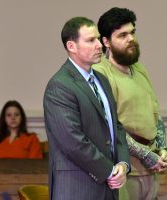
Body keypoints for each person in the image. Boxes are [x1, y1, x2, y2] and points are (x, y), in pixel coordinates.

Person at [43, 16, 130, 200]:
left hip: (109, 187)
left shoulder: (102, 80)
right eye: (91, 40)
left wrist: (122, 164)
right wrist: (110, 171)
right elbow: (73, 142)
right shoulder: (60, 86)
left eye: (98, 39)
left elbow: (117, 126)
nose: (100, 45)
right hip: (77, 188)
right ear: (71, 46)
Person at [93, 7, 167, 200]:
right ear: (106, 42)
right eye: (122, 35)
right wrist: (146, 155)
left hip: (151, 168)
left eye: (132, 32)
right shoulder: (101, 73)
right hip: (123, 170)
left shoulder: (139, 69)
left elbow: (155, 114)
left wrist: (162, 148)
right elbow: (109, 128)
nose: (131, 38)